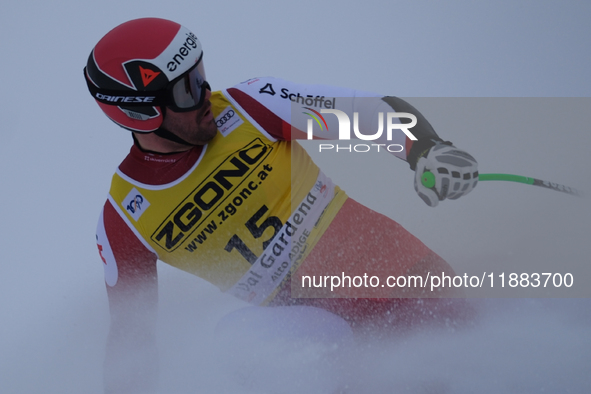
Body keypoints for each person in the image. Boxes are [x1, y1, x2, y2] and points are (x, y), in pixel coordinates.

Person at [85, 17, 479, 393]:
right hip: (324, 337)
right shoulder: (124, 219)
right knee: (232, 340)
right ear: (140, 111)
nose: (205, 94)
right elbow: (130, 341)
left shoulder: (248, 107)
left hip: (401, 279)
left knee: (474, 362)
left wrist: (424, 149)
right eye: (186, 89)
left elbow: (364, 113)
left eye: (201, 75)